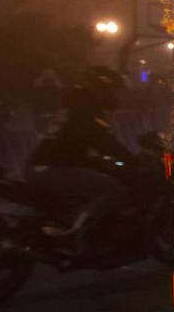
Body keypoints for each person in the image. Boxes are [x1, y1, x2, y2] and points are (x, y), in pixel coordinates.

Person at [24, 67, 132, 256]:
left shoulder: (76, 106)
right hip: (53, 168)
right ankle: (74, 235)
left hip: (46, 165)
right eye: (112, 90)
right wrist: (132, 160)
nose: (115, 96)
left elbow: (78, 145)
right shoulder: (85, 111)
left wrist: (97, 160)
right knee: (112, 190)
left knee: (95, 179)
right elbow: (104, 142)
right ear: (101, 89)